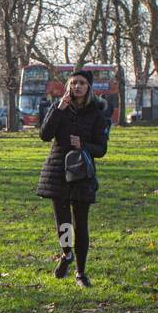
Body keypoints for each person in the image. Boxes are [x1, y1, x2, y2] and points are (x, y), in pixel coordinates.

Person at [36, 69, 111, 288]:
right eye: (74, 82)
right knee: (63, 221)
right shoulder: (59, 107)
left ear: (88, 87)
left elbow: (102, 148)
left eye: (81, 83)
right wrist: (58, 110)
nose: (77, 86)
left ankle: (81, 272)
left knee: (81, 223)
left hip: (82, 173)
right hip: (58, 170)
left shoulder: (98, 113)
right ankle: (66, 253)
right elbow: (45, 135)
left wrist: (84, 145)